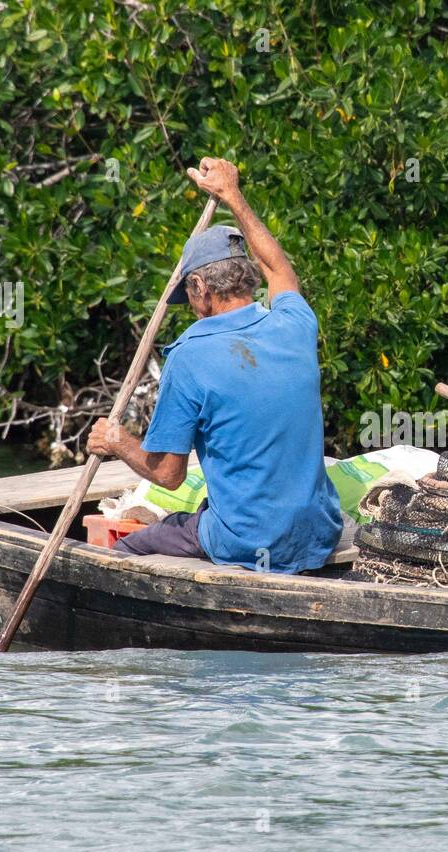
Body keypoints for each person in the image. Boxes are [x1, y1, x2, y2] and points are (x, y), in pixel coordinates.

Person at [87, 158, 342, 573]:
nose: (190, 307)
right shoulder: (293, 322)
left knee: (126, 551)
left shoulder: (188, 356)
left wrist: (117, 440)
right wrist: (233, 196)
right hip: (317, 533)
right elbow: (278, 267)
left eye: (188, 295)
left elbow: (168, 474)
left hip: (247, 541)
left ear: (201, 288)